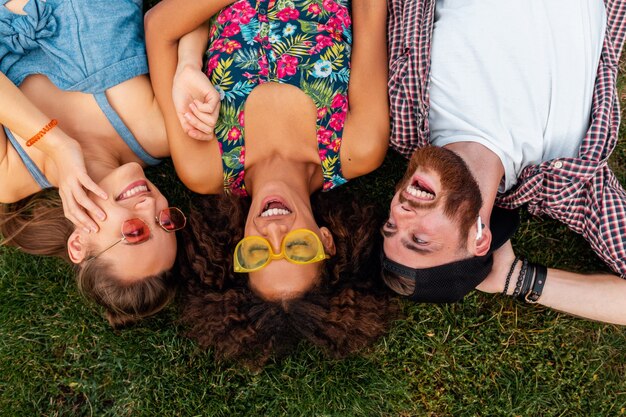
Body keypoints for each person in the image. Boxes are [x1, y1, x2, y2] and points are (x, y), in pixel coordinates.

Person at [145, 0, 396, 364]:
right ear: (326, 240)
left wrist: (187, 66)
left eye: (258, 253)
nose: (274, 231)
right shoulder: (357, 147)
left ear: (239, 249)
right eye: (298, 248)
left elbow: (159, 29)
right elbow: (371, 9)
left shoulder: (205, 165)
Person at [381, 0, 626, 325]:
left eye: (391, 227)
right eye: (420, 240)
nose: (400, 213)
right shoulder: (565, 186)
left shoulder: (402, 117)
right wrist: (516, 277)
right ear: (478, 239)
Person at [0, 0, 199, 326]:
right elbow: (183, 21)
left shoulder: (9, 177)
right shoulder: (157, 131)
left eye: (134, 231)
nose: (150, 205)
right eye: (165, 220)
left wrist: (57, 145)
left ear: (79, 243)